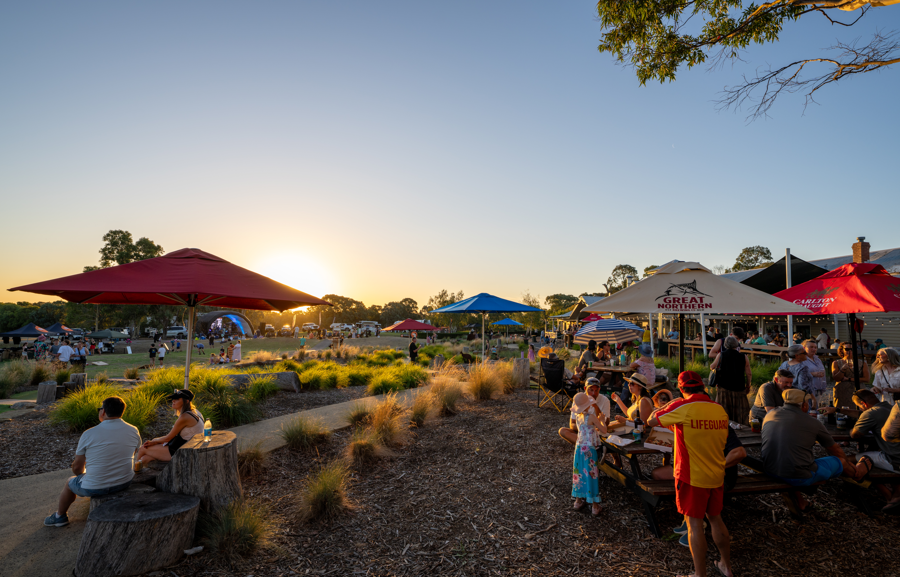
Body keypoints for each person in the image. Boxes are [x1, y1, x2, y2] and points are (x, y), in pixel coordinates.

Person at [647, 371, 734, 577]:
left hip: (692, 475)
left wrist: (673, 402)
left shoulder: (682, 406)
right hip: (716, 473)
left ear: (681, 389)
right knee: (715, 519)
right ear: (703, 386)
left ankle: (699, 574)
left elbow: (651, 420)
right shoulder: (719, 409)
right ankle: (726, 566)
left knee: (694, 524)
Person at [44, 396, 141, 527]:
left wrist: (81, 474)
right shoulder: (133, 430)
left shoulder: (89, 434)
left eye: (100, 409)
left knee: (70, 482)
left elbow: (77, 467)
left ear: (103, 412)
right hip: (124, 481)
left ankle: (59, 516)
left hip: (95, 487)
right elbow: (133, 452)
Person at [761, 389, 865, 509]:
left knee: (792, 458)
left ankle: (801, 502)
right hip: (798, 476)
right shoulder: (812, 422)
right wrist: (848, 463)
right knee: (840, 461)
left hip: (770, 469)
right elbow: (835, 450)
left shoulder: (770, 414)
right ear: (804, 405)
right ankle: (858, 476)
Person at [844, 390, 900, 512]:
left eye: (860, 407)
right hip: (895, 454)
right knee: (870, 455)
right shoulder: (889, 407)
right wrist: (839, 410)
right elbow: (861, 414)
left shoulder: (871, 413)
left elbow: (855, 435)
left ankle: (888, 496)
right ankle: (894, 494)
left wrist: (849, 429)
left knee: (846, 461)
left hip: (894, 460)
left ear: (863, 404)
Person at [134, 390, 205, 470]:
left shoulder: (185, 417)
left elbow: (168, 438)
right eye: (173, 398)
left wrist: (154, 442)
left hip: (183, 451)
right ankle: (139, 474)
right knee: (145, 459)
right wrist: (154, 441)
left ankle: (131, 474)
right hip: (188, 447)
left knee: (143, 448)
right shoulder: (195, 412)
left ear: (186, 401)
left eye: (177, 399)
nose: (173, 401)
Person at [570, 392, 605, 516]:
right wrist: (602, 420)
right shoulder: (591, 417)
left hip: (579, 448)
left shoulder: (578, 416)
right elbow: (604, 430)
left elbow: (586, 430)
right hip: (589, 449)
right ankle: (594, 505)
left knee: (579, 473)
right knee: (592, 474)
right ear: (588, 405)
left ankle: (578, 500)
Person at [710, 336, 752, 425]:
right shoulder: (744, 357)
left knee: (724, 411)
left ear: (725, 345)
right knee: (741, 413)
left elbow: (712, 367)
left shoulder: (721, 355)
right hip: (739, 388)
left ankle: (724, 427)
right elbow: (749, 374)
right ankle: (741, 428)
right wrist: (748, 386)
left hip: (724, 387)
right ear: (736, 345)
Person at [559, 379, 611, 445]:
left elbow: (606, 423)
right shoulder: (579, 399)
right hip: (584, 432)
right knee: (562, 430)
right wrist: (586, 429)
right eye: (591, 390)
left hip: (597, 432)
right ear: (585, 388)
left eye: (596, 390)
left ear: (599, 389)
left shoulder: (605, 400)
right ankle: (587, 443)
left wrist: (596, 407)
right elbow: (572, 424)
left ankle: (582, 444)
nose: (593, 393)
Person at [832, 342, 871, 408]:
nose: (850, 351)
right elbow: (836, 378)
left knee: (859, 409)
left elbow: (867, 379)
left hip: (858, 389)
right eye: (847, 349)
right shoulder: (836, 363)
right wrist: (842, 369)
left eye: (852, 349)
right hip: (842, 390)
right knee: (842, 411)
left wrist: (849, 379)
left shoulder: (862, 363)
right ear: (842, 350)